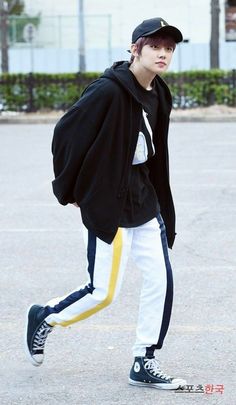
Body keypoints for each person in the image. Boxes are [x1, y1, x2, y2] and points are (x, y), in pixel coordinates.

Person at [25, 17, 187, 390]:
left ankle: (143, 360)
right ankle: (46, 317)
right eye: (155, 47)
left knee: (161, 280)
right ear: (135, 49)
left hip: (145, 197)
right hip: (109, 200)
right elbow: (66, 134)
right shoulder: (108, 91)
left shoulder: (159, 92)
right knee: (103, 293)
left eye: (169, 48)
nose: (163, 54)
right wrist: (73, 191)